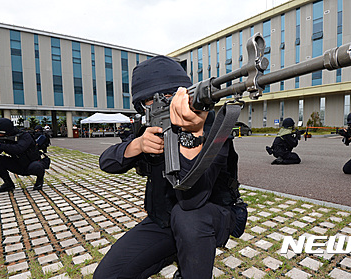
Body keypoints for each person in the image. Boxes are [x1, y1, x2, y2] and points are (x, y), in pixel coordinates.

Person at [93, 56, 244, 279]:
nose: (166, 103)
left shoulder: (213, 127)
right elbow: (106, 162)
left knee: (188, 218)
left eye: (170, 96)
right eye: (153, 101)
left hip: (210, 215)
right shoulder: (147, 128)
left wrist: (192, 136)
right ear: (143, 107)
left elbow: (192, 200)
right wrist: (138, 145)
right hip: (163, 220)